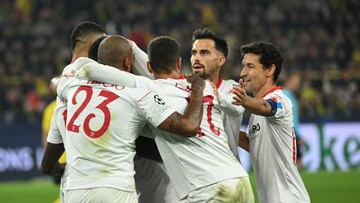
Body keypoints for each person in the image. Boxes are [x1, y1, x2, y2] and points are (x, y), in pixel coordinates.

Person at [76, 36, 254, 202]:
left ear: (149, 67)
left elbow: (89, 68)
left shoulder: (149, 89)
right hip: (238, 178)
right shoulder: (203, 85)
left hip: (206, 187)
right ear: (179, 62)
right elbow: (236, 108)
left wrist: (69, 74)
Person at [45, 35, 205, 203]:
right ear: (129, 62)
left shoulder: (74, 88)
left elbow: (55, 83)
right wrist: (198, 89)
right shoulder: (138, 95)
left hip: (76, 190)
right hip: (116, 189)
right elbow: (189, 126)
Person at [232, 41, 310, 203]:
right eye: (243, 66)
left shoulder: (280, 100)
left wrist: (242, 99)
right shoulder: (256, 111)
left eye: (250, 66)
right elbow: (254, 144)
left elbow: (267, 107)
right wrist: (223, 127)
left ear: (269, 70)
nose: (242, 73)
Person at [41, 21, 107, 202]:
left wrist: (66, 169)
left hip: (74, 185)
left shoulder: (65, 83)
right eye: (102, 43)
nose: (106, 49)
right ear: (90, 45)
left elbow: (47, 165)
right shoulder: (99, 79)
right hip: (109, 182)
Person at [190, 27, 245, 162]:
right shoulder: (183, 88)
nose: (197, 58)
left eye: (204, 53)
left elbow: (236, 108)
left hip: (227, 170)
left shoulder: (231, 88)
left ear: (220, 60)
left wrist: (213, 92)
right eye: (194, 53)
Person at [283, 72, 304, 169]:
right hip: (290, 131)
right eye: (295, 81)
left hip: (293, 130)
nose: (297, 84)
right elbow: (290, 118)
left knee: (297, 160)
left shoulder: (291, 96)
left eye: (298, 82)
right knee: (297, 161)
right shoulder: (285, 95)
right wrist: (296, 134)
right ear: (289, 81)